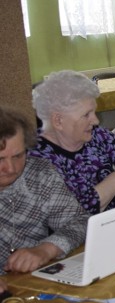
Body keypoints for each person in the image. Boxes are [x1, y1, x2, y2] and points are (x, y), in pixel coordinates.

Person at [30, 70, 115, 215]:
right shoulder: (36, 159)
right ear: (58, 120)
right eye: (86, 115)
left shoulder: (96, 135)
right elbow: (73, 213)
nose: (96, 121)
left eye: (94, 112)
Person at [1, 105, 89, 288]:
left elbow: (79, 221)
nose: (10, 168)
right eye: (0, 159)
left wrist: (46, 249)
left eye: (18, 156)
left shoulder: (39, 173)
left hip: (31, 285)